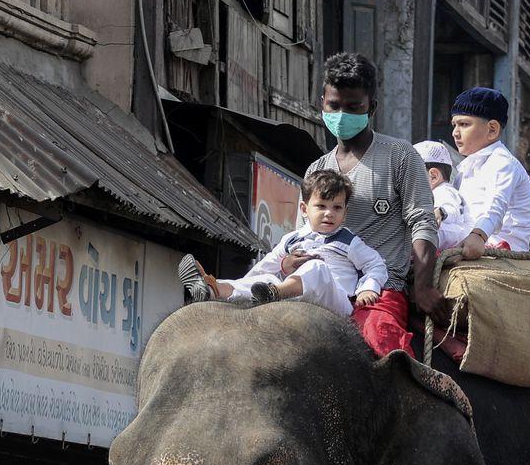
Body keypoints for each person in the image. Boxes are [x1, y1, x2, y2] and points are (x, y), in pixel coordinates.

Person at [305, 52, 441, 355]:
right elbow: (304, 236)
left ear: (372, 108)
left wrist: (421, 288)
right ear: (322, 104)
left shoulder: (400, 156)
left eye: (354, 107)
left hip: (380, 291)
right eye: (334, 106)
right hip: (323, 288)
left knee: (379, 347)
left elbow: (423, 222)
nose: (342, 114)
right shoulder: (315, 171)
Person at [180, 169, 387, 316]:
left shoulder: (349, 241)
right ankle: (216, 289)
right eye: (321, 206)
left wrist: (368, 288)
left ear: (345, 212)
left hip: (335, 300)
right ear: (305, 209)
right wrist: (254, 280)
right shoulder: (292, 239)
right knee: (269, 275)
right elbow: (265, 266)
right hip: (296, 295)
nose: (328, 213)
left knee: (317, 267)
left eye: (337, 208)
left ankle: (274, 293)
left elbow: (375, 264)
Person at [448, 86, 530, 256]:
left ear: (492, 129)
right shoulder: (465, 167)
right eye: (454, 125)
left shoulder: (503, 163)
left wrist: (478, 235)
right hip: (470, 245)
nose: (455, 133)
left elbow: (495, 205)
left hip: (503, 251)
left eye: (464, 124)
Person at [413, 140, 473, 250]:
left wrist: (440, 212)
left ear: (433, 176)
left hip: (459, 235)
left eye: (410, 176)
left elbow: (451, 209)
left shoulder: (444, 191)